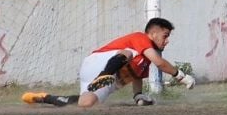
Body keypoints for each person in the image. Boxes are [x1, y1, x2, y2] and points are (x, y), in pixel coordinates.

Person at [22, 17, 195, 108]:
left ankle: (44, 98)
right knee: (128, 53)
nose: (167, 41)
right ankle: (103, 76)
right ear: (153, 33)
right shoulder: (141, 38)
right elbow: (160, 63)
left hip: (103, 77)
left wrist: (138, 96)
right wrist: (181, 76)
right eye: (165, 36)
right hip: (99, 64)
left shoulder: (144, 59)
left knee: (86, 104)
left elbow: (137, 76)